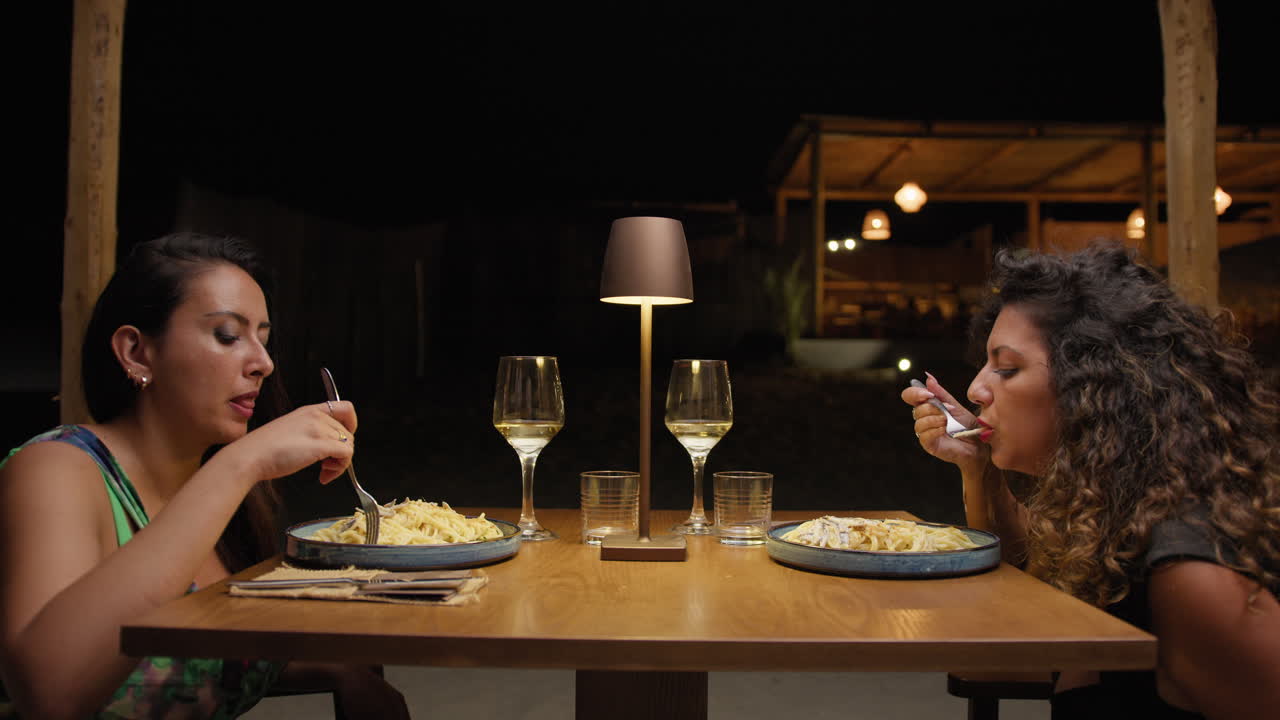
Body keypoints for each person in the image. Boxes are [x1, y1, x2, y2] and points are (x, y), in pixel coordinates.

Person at [0, 233, 410, 719]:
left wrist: (340, 670)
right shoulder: (57, 468)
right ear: (136, 352)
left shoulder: (225, 502)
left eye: (264, 339)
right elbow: (50, 694)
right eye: (228, 336)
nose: (263, 363)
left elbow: (186, 663)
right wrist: (241, 463)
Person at [902, 243, 1279, 719]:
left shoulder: (1189, 570)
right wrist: (979, 469)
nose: (976, 389)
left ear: (1093, 387)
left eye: (1007, 368)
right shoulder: (1125, 513)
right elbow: (1029, 586)